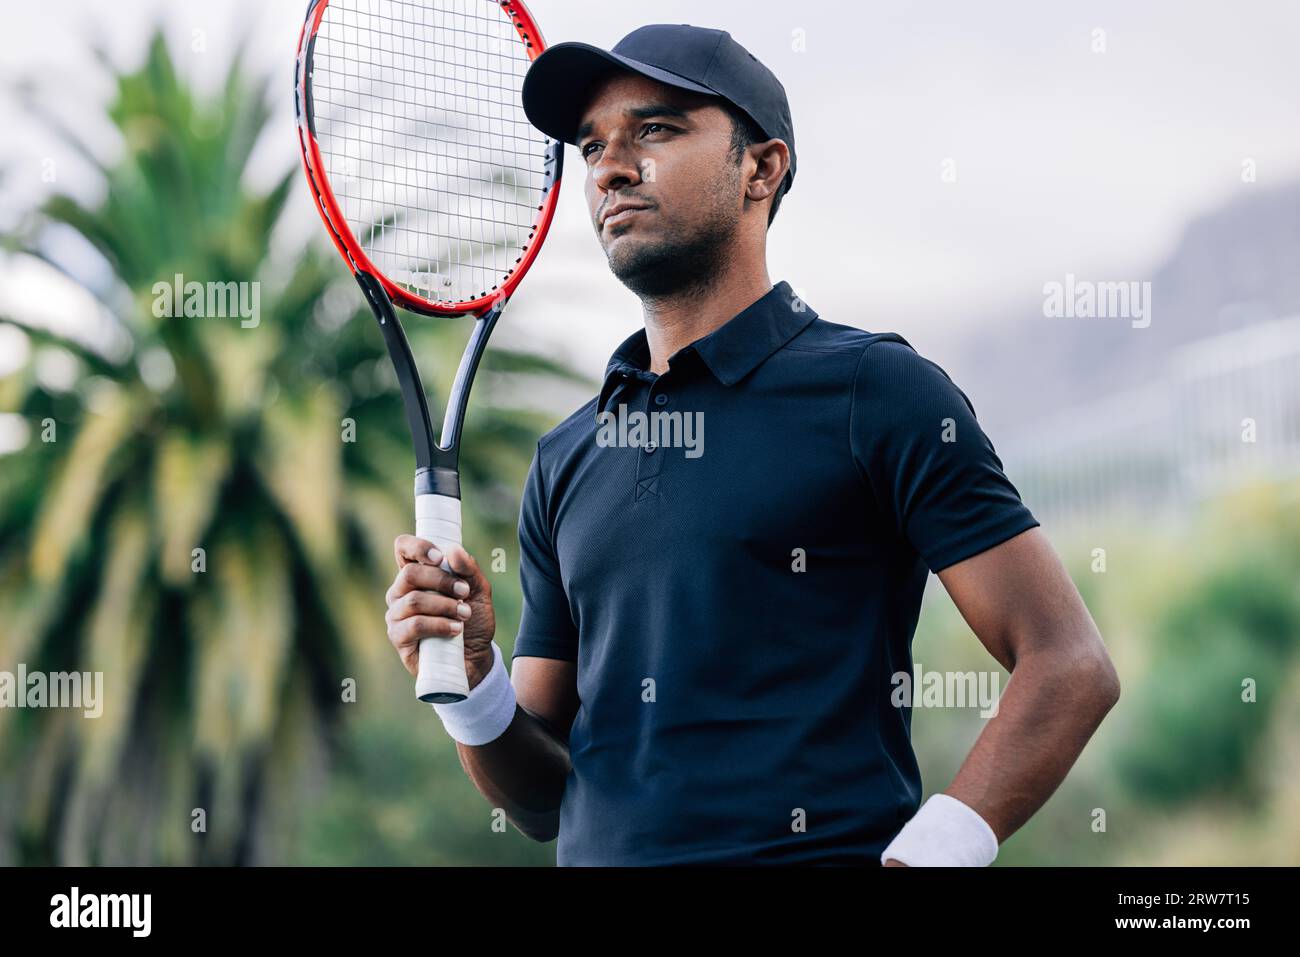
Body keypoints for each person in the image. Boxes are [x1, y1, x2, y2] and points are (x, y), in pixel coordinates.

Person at [383, 23, 1120, 866]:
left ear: (760, 169)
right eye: (592, 147)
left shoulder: (875, 390)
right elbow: (548, 797)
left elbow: (1069, 664)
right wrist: (473, 681)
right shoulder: (565, 458)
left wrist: (928, 856)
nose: (611, 166)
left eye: (654, 130)